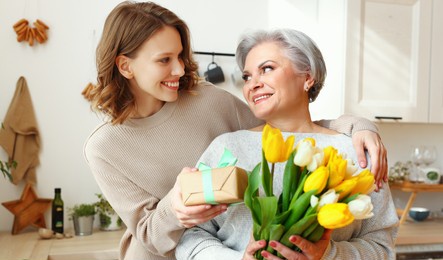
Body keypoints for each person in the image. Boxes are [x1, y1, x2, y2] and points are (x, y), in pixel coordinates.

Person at [82, 2, 388, 260]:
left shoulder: (209, 101)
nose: (179, 69)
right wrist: (178, 209)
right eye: (164, 60)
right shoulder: (104, 146)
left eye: (179, 56)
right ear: (125, 66)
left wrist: (357, 128)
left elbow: (286, 128)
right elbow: (149, 232)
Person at [175, 29, 398, 260]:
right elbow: (191, 235)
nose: (253, 84)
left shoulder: (355, 152)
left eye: (267, 69)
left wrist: (329, 254)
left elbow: (382, 246)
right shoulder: (227, 148)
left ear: (308, 77)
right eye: (247, 77)